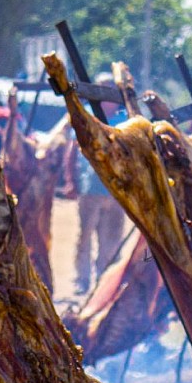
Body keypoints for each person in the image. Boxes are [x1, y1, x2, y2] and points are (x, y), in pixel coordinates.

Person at [72, 78, 129, 295]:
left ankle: (104, 282)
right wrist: (71, 179)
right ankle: (82, 279)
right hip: (90, 188)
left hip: (116, 189)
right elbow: (73, 146)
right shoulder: (85, 114)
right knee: (85, 235)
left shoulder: (124, 119)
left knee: (111, 237)